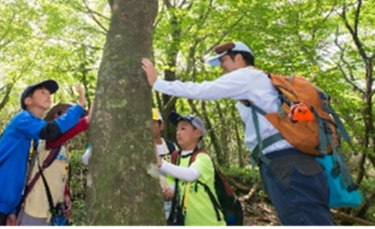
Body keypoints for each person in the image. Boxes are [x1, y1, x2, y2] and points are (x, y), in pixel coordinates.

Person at [142, 42, 333, 227]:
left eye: (224, 62)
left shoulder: (247, 77)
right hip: (287, 164)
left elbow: (204, 90)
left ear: (239, 58)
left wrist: (158, 83)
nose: (222, 68)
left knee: (305, 220)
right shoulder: (257, 82)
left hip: (287, 164)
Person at [0, 79, 86, 227]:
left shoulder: (32, 133)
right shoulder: (23, 119)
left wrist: (11, 210)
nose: (48, 96)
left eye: (49, 94)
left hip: (2, 206)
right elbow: (51, 132)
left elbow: (21, 174)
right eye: (42, 92)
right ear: (28, 100)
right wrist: (79, 108)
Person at [18, 85, 93, 227]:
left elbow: (60, 174)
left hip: (53, 212)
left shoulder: (65, 149)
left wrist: (65, 196)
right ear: (56, 116)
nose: (73, 121)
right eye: (69, 116)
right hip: (34, 208)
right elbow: (53, 140)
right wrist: (86, 120)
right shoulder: (44, 140)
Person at [158, 111, 226, 227]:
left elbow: (190, 175)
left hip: (210, 223)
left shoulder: (203, 158)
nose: (178, 132)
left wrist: (161, 163)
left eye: (183, 128)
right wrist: (170, 190)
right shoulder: (176, 157)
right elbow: (173, 181)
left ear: (198, 132)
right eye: (177, 129)